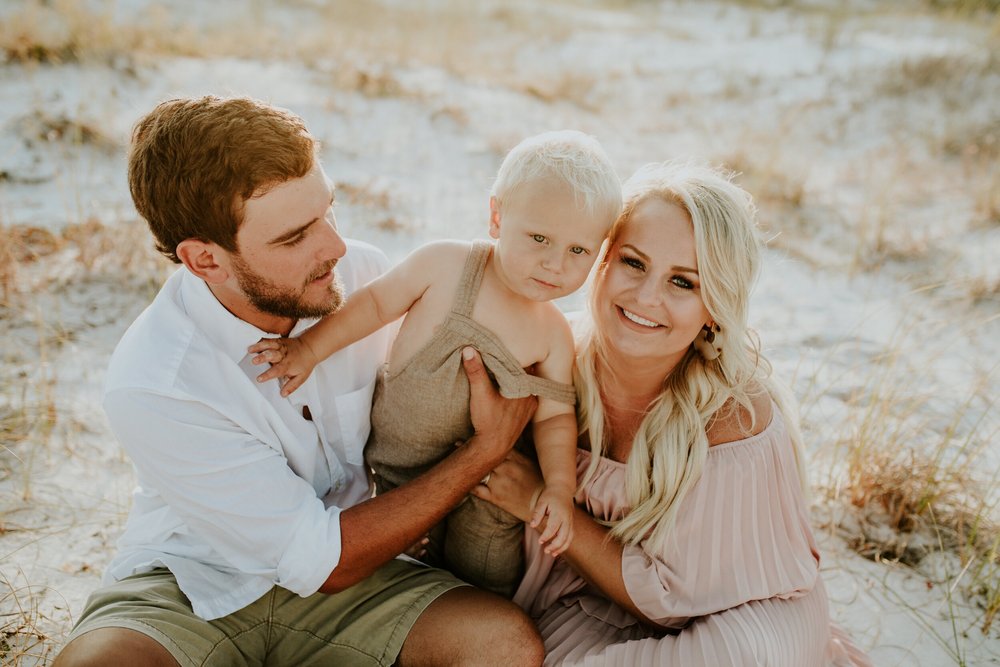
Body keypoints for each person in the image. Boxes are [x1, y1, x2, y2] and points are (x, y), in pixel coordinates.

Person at [53, 95, 544, 667]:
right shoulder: (154, 381)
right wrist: (485, 450)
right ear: (205, 260)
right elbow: (327, 560)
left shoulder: (361, 277)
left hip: (362, 582)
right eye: (293, 238)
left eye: (328, 211)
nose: (334, 247)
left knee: (503, 646)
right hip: (193, 584)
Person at [473, 162, 873, 666]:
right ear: (601, 260)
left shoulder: (732, 417)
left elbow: (670, 602)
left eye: (683, 282)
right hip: (590, 598)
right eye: (634, 263)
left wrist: (538, 499)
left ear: (714, 307)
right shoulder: (550, 355)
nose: (646, 298)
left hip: (733, 618)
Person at [248, 131, 622, 597]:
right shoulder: (446, 265)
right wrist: (309, 350)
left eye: (578, 251)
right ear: (497, 216)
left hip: (486, 490)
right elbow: (373, 306)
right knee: (399, 574)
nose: (554, 264)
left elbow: (555, 418)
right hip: (397, 475)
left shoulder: (551, 334)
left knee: (482, 576)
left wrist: (560, 489)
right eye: (539, 238)